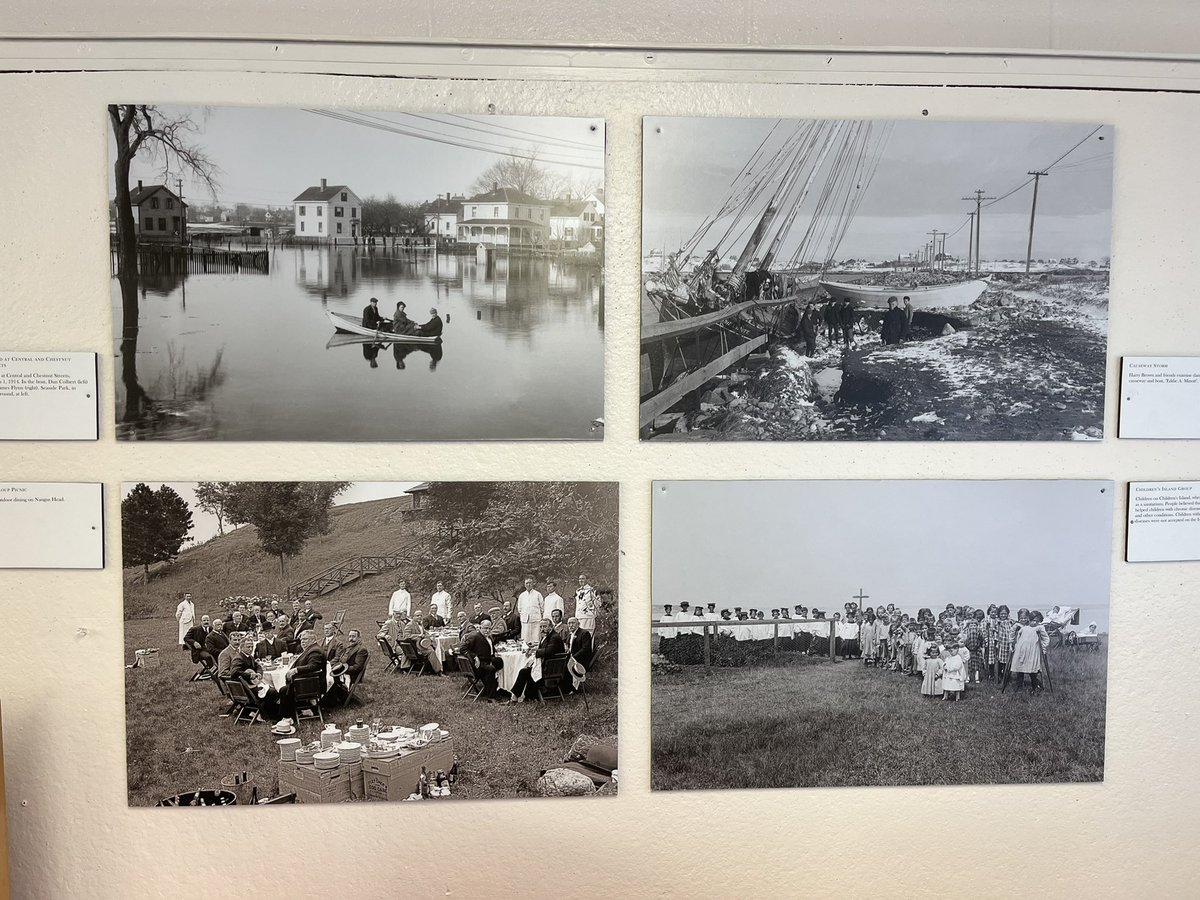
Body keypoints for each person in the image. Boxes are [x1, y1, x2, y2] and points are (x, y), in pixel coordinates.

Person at [508, 619, 566, 704]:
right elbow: (545, 649)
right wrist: (535, 649)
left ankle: (515, 697)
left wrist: (534, 651)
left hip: (551, 669)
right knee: (528, 669)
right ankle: (529, 696)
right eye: (541, 627)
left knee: (524, 672)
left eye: (545, 626)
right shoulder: (548, 636)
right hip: (549, 666)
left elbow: (549, 651)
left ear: (551, 627)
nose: (542, 629)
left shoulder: (554, 637)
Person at [456, 616, 503, 700]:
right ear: (480, 628)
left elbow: (489, 648)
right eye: (485, 628)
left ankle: (501, 687)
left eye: (489, 628)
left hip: (488, 660)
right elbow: (462, 649)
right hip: (477, 665)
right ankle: (491, 695)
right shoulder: (474, 636)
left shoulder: (489, 636)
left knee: (500, 662)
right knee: (491, 669)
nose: (487, 630)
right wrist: (474, 656)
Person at [1009, 608, 1049, 692]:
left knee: (1032, 670)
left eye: (1037, 621)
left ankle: (1035, 687)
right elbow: (1018, 637)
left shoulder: (1039, 628)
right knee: (1020, 669)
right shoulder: (1024, 628)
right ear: (1029, 620)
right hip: (1022, 652)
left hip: (1033, 652)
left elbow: (1045, 639)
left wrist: (1043, 647)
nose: (1035, 623)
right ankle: (1019, 686)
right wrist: (1014, 644)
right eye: (1033, 620)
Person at [329, 630, 369, 703]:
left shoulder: (361, 650)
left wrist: (342, 670)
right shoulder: (348, 647)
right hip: (343, 671)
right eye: (350, 636)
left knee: (329, 678)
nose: (351, 639)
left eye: (353, 636)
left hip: (351, 674)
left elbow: (357, 667)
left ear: (359, 638)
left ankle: (334, 700)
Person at [565, 615, 594, 692]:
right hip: (572, 658)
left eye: (573, 623)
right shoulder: (569, 635)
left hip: (581, 660)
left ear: (578, 624)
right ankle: (565, 687)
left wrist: (574, 658)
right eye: (569, 623)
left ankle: (574, 688)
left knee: (568, 665)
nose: (571, 625)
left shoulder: (584, 633)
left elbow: (585, 649)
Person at [518, 577, 544, 643]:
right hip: (525, 620)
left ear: (533, 584)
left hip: (536, 620)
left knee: (535, 638)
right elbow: (519, 609)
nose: (528, 585)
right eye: (527, 583)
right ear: (524, 585)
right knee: (525, 638)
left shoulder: (538, 594)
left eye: (530, 583)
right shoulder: (522, 596)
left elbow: (542, 607)